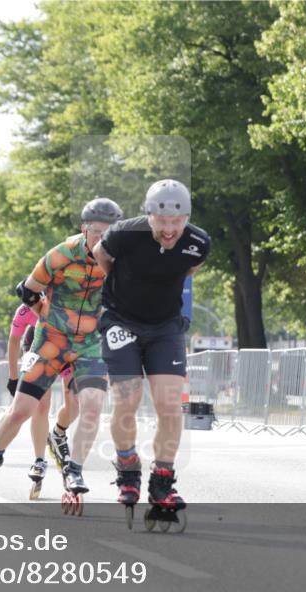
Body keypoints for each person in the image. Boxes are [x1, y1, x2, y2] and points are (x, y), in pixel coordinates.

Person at [0, 198, 124, 507]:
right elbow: (25, 290)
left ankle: (74, 469)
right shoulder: (62, 254)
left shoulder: (120, 259)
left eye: (108, 234)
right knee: (21, 410)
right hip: (51, 339)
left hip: (90, 342)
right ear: (84, 229)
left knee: (90, 407)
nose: (101, 240)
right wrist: (46, 312)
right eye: (96, 233)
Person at [92, 180, 210, 519]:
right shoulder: (124, 234)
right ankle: (128, 469)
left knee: (170, 404)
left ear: (187, 218)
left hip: (165, 326)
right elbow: (101, 256)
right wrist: (124, 288)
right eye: (163, 222)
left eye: (178, 222)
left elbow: (188, 269)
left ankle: (163, 481)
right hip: (121, 322)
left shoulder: (199, 243)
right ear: (149, 216)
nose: (170, 230)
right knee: (127, 401)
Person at [7, 304, 80, 498]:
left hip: (66, 347)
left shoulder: (68, 302)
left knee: (75, 404)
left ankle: (57, 433)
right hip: (37, 345)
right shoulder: (24, 310)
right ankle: (39, 460)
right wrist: (13, 378)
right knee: (41, 404)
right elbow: (14, 341)